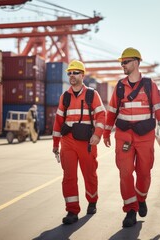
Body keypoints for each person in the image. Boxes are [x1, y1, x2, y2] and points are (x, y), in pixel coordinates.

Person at [103, 47, 160, 228]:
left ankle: (141, 198)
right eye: (121, 63)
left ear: (136, 62)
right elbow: (111, 112)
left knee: (144, 172)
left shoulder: (150, 86)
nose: (122, 65)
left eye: (125, 62)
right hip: (124, 136)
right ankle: (130, 210)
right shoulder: (119, 87)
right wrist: (105, 132)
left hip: (145, 137)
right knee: (125, 173)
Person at [52, 60, 106, 225]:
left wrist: (97, 135)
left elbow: (101, 116)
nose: (72, 76)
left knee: (89, 174)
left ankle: (92, 201)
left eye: (75, 72)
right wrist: (55, 144)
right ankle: (72, 210)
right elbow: (58, 121)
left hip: (87, 141)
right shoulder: (65, 97)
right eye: (69, 73)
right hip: (68, 142)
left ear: (82, 75)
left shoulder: (92, 94)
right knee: (68, 177)